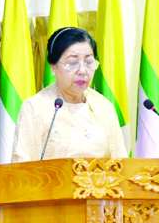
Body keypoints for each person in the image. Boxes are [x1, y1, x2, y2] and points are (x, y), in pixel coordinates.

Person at [12, 27, 126, 161]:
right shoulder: (35, 108)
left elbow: (121, 163)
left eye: (89, 62)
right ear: (53, 66)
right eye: (72, 63)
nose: (82, 71)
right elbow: (22, 167)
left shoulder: (103, 106)